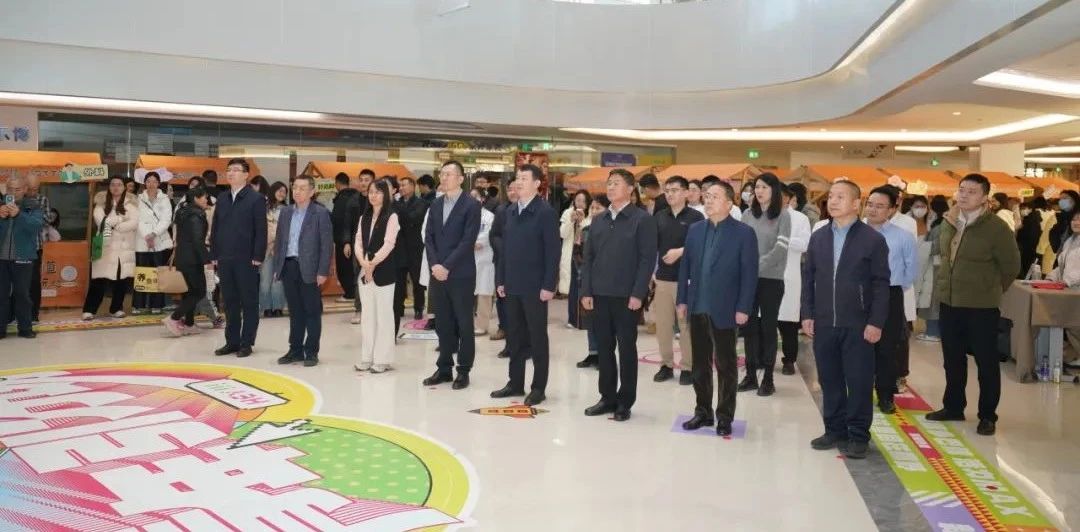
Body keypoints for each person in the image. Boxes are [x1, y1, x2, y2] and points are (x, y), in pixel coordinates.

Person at [802, 180, 890, 460]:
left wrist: (876, 322)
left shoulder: (872, 239)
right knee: (829, 379)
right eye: (831, 196)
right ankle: (834, 429)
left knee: (859, 381)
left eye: (840, 197)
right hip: (825, 321)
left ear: (855, 204)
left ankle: (858, 435)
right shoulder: (819, 237)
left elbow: (881, 284)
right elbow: (809, 278)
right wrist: (807, 313)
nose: (833, 201)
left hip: (858, 323)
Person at [928, 174, 1021, 436]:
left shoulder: (996, 228)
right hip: (950, 301)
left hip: (981, 306)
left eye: (972, 191)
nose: (964, 195)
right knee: (952, 359)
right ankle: (953, 406)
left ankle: (987, 415)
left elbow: (1011, 266)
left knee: (986, 362)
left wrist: (989, 289)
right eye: (962, 190)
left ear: (984, 198)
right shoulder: (949, 220)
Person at [677, 180, 758, 435]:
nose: (708, 200)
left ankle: (725, 416)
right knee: (699, 365)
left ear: (729, 203)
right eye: (707, 196)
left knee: (726, 365)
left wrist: (744, 307)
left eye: (714, 196)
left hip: (726, 308)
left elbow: (749, 274)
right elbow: (685, 267)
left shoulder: (744, 233)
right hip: (697, 306)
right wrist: (682, 300)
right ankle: (703, 412)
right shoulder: (695, 230)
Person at [580, 168, 658, 422]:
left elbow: (647, 259)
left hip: (627, 297)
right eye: (609, 183)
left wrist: (638, 293)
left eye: (616, 183)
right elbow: (588, 258)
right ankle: (607, 397)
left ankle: (625, 401)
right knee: (604, 348)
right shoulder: (599, 220)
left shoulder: (641, 220)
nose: (611, 187)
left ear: (630, 189)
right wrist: (586, 290)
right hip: (599, 294)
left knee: (626, 349)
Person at [490, 164, 560, 405]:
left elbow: (552, 252)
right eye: (517, 178)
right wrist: (501, 279)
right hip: (512, 283)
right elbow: (505, 250)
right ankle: (515, 382)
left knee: (537, 337)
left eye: (524, 178)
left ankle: (538, 387)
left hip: (535, 286)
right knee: (515, 336)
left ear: (537, 184)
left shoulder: (545, 212)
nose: (518, 182)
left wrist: (549, 284)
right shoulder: (510, 211)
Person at [422, 161, 482, 390]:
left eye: (449, 174)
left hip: (461, 274)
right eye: (442, 173)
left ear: (460, 179)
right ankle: (444, 368)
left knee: (464, 324)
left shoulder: (471, 205)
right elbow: (429, 237)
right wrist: (435, 265)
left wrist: (446, 266)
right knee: (443, 323)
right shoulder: (436, 204)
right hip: (438, 273)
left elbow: (468, 241)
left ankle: (463, 370)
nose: (444, 177)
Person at [265, 176, 331, 367]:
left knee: (312, 311)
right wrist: (278, 267)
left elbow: (326, 245)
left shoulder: (320, 213)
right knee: (295, 312)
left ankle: (311, 352)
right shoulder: (286, 212)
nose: (297, 191)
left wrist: (323, 271)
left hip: (310, 269)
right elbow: (280, 241)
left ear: (312, 191)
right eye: (295, 188)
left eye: (302, 188)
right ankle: (295, 350)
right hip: (289, 266)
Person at [864, 186, 917, 414]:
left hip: (890, 294)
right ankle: (860, 392)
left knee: (887, 347)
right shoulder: (853, 232)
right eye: (870, 204)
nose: (873, 210)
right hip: (858, 294)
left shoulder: (902, 237)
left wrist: (890, 289)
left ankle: (885, 395)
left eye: (880, 206)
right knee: (859, 346)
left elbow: (910, 272)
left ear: (892, 209)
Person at [739, 172, 792, 396]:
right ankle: (750, 375)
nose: (759, 191)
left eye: (764, 187)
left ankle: (768, 378)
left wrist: (756, 266)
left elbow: (780, 249)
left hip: (771, 280)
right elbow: (740, 244)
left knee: (768, 328)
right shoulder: (747, 214)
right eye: (757, 187)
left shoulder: (783, 215)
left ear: (774, 190)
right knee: (749, 328)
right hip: (748, 281)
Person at [209, 158, 267, 358]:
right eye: (229, 170)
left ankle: (246, 342)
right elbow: (215, 227)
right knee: (230, 301)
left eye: (236, 170)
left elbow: (261, 229)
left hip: (247, 258)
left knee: (248, 302)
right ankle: (232, 341)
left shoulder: (255, 199)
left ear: (246, 175)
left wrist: (258, 255)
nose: (231, 173)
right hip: (225, 257)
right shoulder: (222, 198)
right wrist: (214, 253)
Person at [651, 175, 704, 385]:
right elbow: (652, 247)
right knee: (663, 325)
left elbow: (701, 246)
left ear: (686, 193)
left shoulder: (696, 218)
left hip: (687, 280)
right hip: (663, 279)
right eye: (667, 190)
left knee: (686, 326)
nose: (670, 194)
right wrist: (652, 272)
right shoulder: (659, 217)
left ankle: (688, 367)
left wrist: (680, 252)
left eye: (675, 190)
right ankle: (666, 365)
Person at [355, 178, 402, 371]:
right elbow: (358, 242)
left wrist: (372, 264)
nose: (373, 195)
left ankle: (382, 359)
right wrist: (364, 263)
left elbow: (389, 244)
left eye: (378, 192)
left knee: (384, 316)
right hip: (365, 270)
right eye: (371, 192)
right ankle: (367, 357)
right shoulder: (364, 217)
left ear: (386, 194)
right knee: (367, 316)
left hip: (384, 271)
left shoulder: (391, 216)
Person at [83, 176, 138, 320]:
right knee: (98, 280)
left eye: (119, 184)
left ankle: (116, 308)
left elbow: (134, 223)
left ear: (124, 187)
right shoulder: (101, 203)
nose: (116, 187)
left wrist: (116, 226)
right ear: (109, 187)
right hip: (104, 246)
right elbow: (102, 221)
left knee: (122, 279)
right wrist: (120, 219)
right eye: (113, 184)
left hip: (124, 248)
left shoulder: (132, 204)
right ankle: (89, 310)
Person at [0, 175, 45, 339]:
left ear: (25, 189)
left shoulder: (32, 205)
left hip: (24, 256)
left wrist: (19, 214)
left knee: (22, 294)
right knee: (1, 294)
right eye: (10, 189)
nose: (13, 192)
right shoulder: (1, 204)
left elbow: (37, 226)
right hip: (1, 258)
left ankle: (25, 328)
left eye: (17, 189)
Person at [163, 187, 211, 337]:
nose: (207, 200)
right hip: (193, 259)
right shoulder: (196, 215)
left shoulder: (183, 212)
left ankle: (189, 324)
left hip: (183, 257)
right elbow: (197, 240)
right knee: (199, 292)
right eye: (204, 197)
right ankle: (174, 318)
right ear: (196, 198)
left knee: (189, 292)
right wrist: (207, 260)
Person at [777, 184, 812, 376]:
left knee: (788, 323)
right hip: (765, 274)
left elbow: (805, 244)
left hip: (789, 276)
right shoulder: (764, 216)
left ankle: (789, 360)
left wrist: (783, 239)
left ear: (788, 198)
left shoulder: (800, 218)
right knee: (763, 322)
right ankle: (761, 359)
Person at [131, 171, 175, 315]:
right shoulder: (138, 199)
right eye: (148, 181)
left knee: (158, 273)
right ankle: (138, 305)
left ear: (159, 183)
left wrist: (154, 234)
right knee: (142, 273)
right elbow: (137, 219)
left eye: (154, 181)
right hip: (142, 240)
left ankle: (157, 304)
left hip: (159, 240)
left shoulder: (164, 199)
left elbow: (166, 219)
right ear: (144, 183)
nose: (151, 184)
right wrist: (147, 236)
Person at [575, 194, 611, 368]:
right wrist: (582, 273)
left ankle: (604, 355)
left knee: (604, 321)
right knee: (590, 319)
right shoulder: (586, 229)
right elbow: (578, 252)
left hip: (605, 281)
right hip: (587, 279)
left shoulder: (611, 229)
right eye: (593, 208)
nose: (595, 211)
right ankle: (593, 353)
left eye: (599, 208)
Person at [1046, 208, 1080, 368]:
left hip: (1075, 291)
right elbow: (1061, 266)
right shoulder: (1070, 241)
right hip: (1068, 292)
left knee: (1073, 325)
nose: (1076, 222)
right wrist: (1051, 278)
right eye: (1074, 219)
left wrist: (1066, 281)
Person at [915, 195, 950, 343]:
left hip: (936, 266)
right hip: (937, 265)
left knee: (933, 300)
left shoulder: (941, 225)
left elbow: (936, 247)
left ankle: (933, 332)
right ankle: (934, 331)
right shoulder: (942, 223)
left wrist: (921, 246)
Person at [395, 176, 428, 322]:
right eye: (400, 185)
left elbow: (414, 218)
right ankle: (399, 308)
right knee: (399, 280)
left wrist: (400, 211)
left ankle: (418, 308)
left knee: (417, 280)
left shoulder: (422, 203)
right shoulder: (396, 203)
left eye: (404, 185)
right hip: (399, 247)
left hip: (415, 248)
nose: (401, 188)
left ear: (413, 186)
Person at [331, 172, 363, 302]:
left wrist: (342, 240)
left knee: (344, 267)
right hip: (356, 238)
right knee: (354, 267)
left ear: (337, 184)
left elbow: (338, 220)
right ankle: (354, 293)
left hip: (342, 240)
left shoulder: (341, 199)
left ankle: (350, 293)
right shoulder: (357, 197)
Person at [350, 169, 376, 323]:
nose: (363, 183)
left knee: (375, 277)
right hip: (358, 244)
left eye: (367, 180)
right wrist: (346, 242)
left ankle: (371, 310)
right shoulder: (354, 200)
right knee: (359, 276)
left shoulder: (377, 199)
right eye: (361, 180)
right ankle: (358, 309)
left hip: (376, 244)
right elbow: (348, 223)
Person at [260, 182, 288, 317]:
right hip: (265, 249)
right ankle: (266, 307)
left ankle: (278, 307)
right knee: (265, 279)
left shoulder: (287, 210)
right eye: (279, 191)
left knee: (278, 280)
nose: (282, 194)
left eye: (284, 192)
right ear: (273, 191)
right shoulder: (263, 208)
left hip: (281, 249)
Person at [559, 190, 592, 302]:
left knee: (583, 286)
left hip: (583, 255)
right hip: (570, 254)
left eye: (584, 201)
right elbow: (562, 234)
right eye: (578, 200)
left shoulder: (590, 215)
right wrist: (571, 221)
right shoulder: (568, 213)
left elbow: (587, 236)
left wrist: (582, 222)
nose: (580, 204)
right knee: (571, 289)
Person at [473, 187, 497, 336]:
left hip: (484, 258)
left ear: (482, 199)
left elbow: (489, 234)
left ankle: (482, 325)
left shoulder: (489, 216)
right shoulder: (464, 215)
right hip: (467, 258)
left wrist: (475, 243)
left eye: (475, 196)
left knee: (484, 293)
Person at [1017, 197, 1049, 277]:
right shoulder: (1031, 218)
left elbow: (1032, 235)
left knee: (1028, 269)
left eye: (1024, 208)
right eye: (1021, 209)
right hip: (1031, 248)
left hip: (1029, 249)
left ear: (1031, 209)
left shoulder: (1031, 219)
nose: (1022, 210)